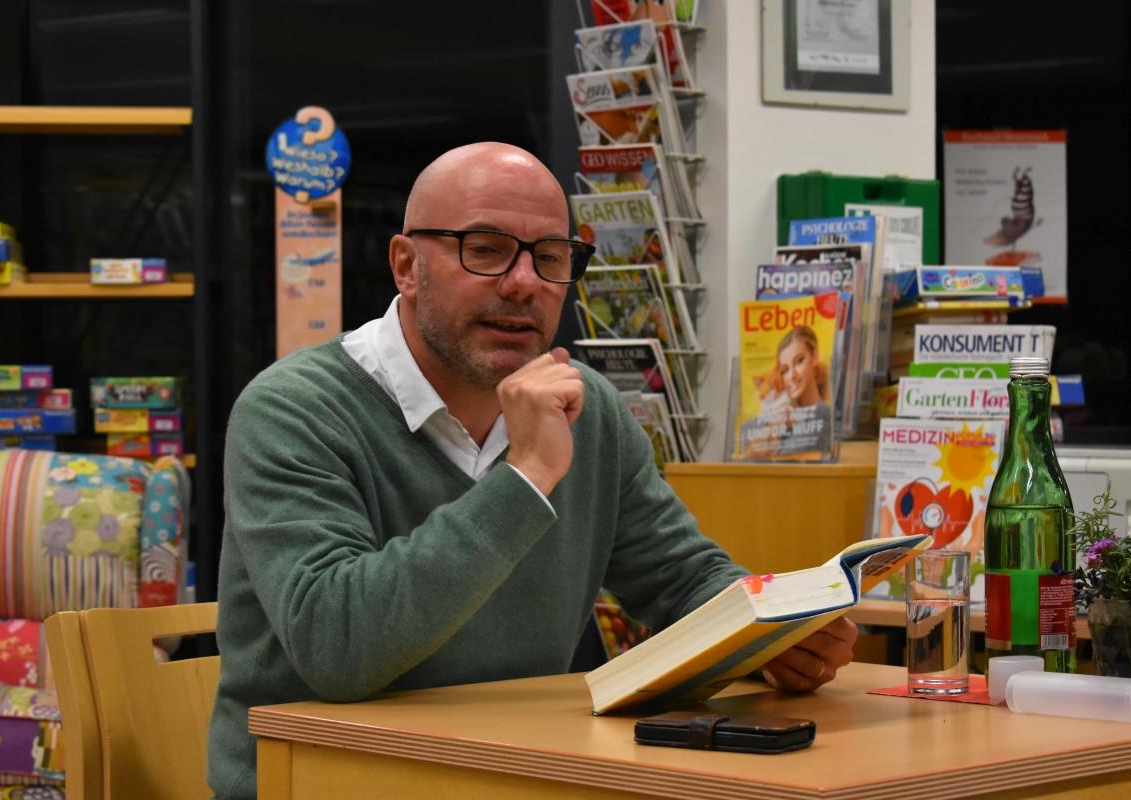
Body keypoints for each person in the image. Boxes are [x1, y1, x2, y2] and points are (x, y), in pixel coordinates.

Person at [207, 142, 857, 799]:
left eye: (549, 258)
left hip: (524, 774)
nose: (523, 283)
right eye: (484, 249)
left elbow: (680, 575)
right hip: (326, 781)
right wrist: (526, 476)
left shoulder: (589, 408)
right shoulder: (292, 410)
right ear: (406, 265)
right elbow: (338, 648)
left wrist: (774, 629)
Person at [775, 325, 832, 455]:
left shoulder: (822, 415)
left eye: (799, 361)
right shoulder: (785, 417)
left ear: (814, 357)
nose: (792, 376)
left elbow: (783, 461)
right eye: (785, 370)